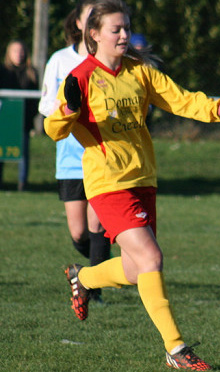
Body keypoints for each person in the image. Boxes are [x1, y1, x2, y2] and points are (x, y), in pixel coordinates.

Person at [44, 0, 220, 370]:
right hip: (108, 183)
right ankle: (175, 348)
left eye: (126, 28)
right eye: (116, 29)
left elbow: (181, 100)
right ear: (94, 34)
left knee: (137, 269)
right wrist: (69, 108)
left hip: (143, 179)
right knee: (152, 258)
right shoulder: (80, 77)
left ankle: (85, 276)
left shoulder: (140, 72)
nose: (124, 35)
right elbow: (53, 130)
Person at [38, 0, 111, 302]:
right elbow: (45, 105)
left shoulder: (108, 63)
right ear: (81, 24)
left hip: (99, 155)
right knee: (80, 233)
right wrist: (65, 108)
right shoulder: (59, 60)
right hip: (69, 159)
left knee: (98, 225)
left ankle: (95, 288)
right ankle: (97, 264)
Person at [0, 40, 39, 191]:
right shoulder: (3, 71)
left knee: (23, 153)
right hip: (4, 120)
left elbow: (35, 98)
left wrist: (29, 116)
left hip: (23, 121)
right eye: (15, 51)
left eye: (21, 51)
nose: (19, 54)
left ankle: (23, 184)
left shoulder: (31, 72)